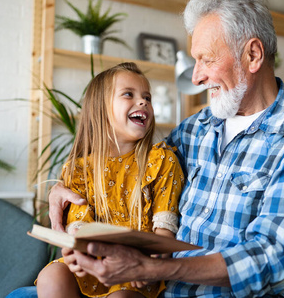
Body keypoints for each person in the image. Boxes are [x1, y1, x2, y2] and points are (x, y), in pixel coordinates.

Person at [8, 0, 284, 297]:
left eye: (205, 60)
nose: (195, 77)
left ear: (252, 55)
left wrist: (152, 269)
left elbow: (274, 256)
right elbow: (131, 168)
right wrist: (62, 188)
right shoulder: (195, 129)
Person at [35, 62, 184, 298]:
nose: (143, 101)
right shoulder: (78, 168)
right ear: (101, 109)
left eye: (147, 97)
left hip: (135, 271)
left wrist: (150, 262)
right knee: (51, 276)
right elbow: (78, 225)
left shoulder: (161, 161)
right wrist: (81, 253)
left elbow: (165, 229)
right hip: (91, 261)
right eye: (129, 94)